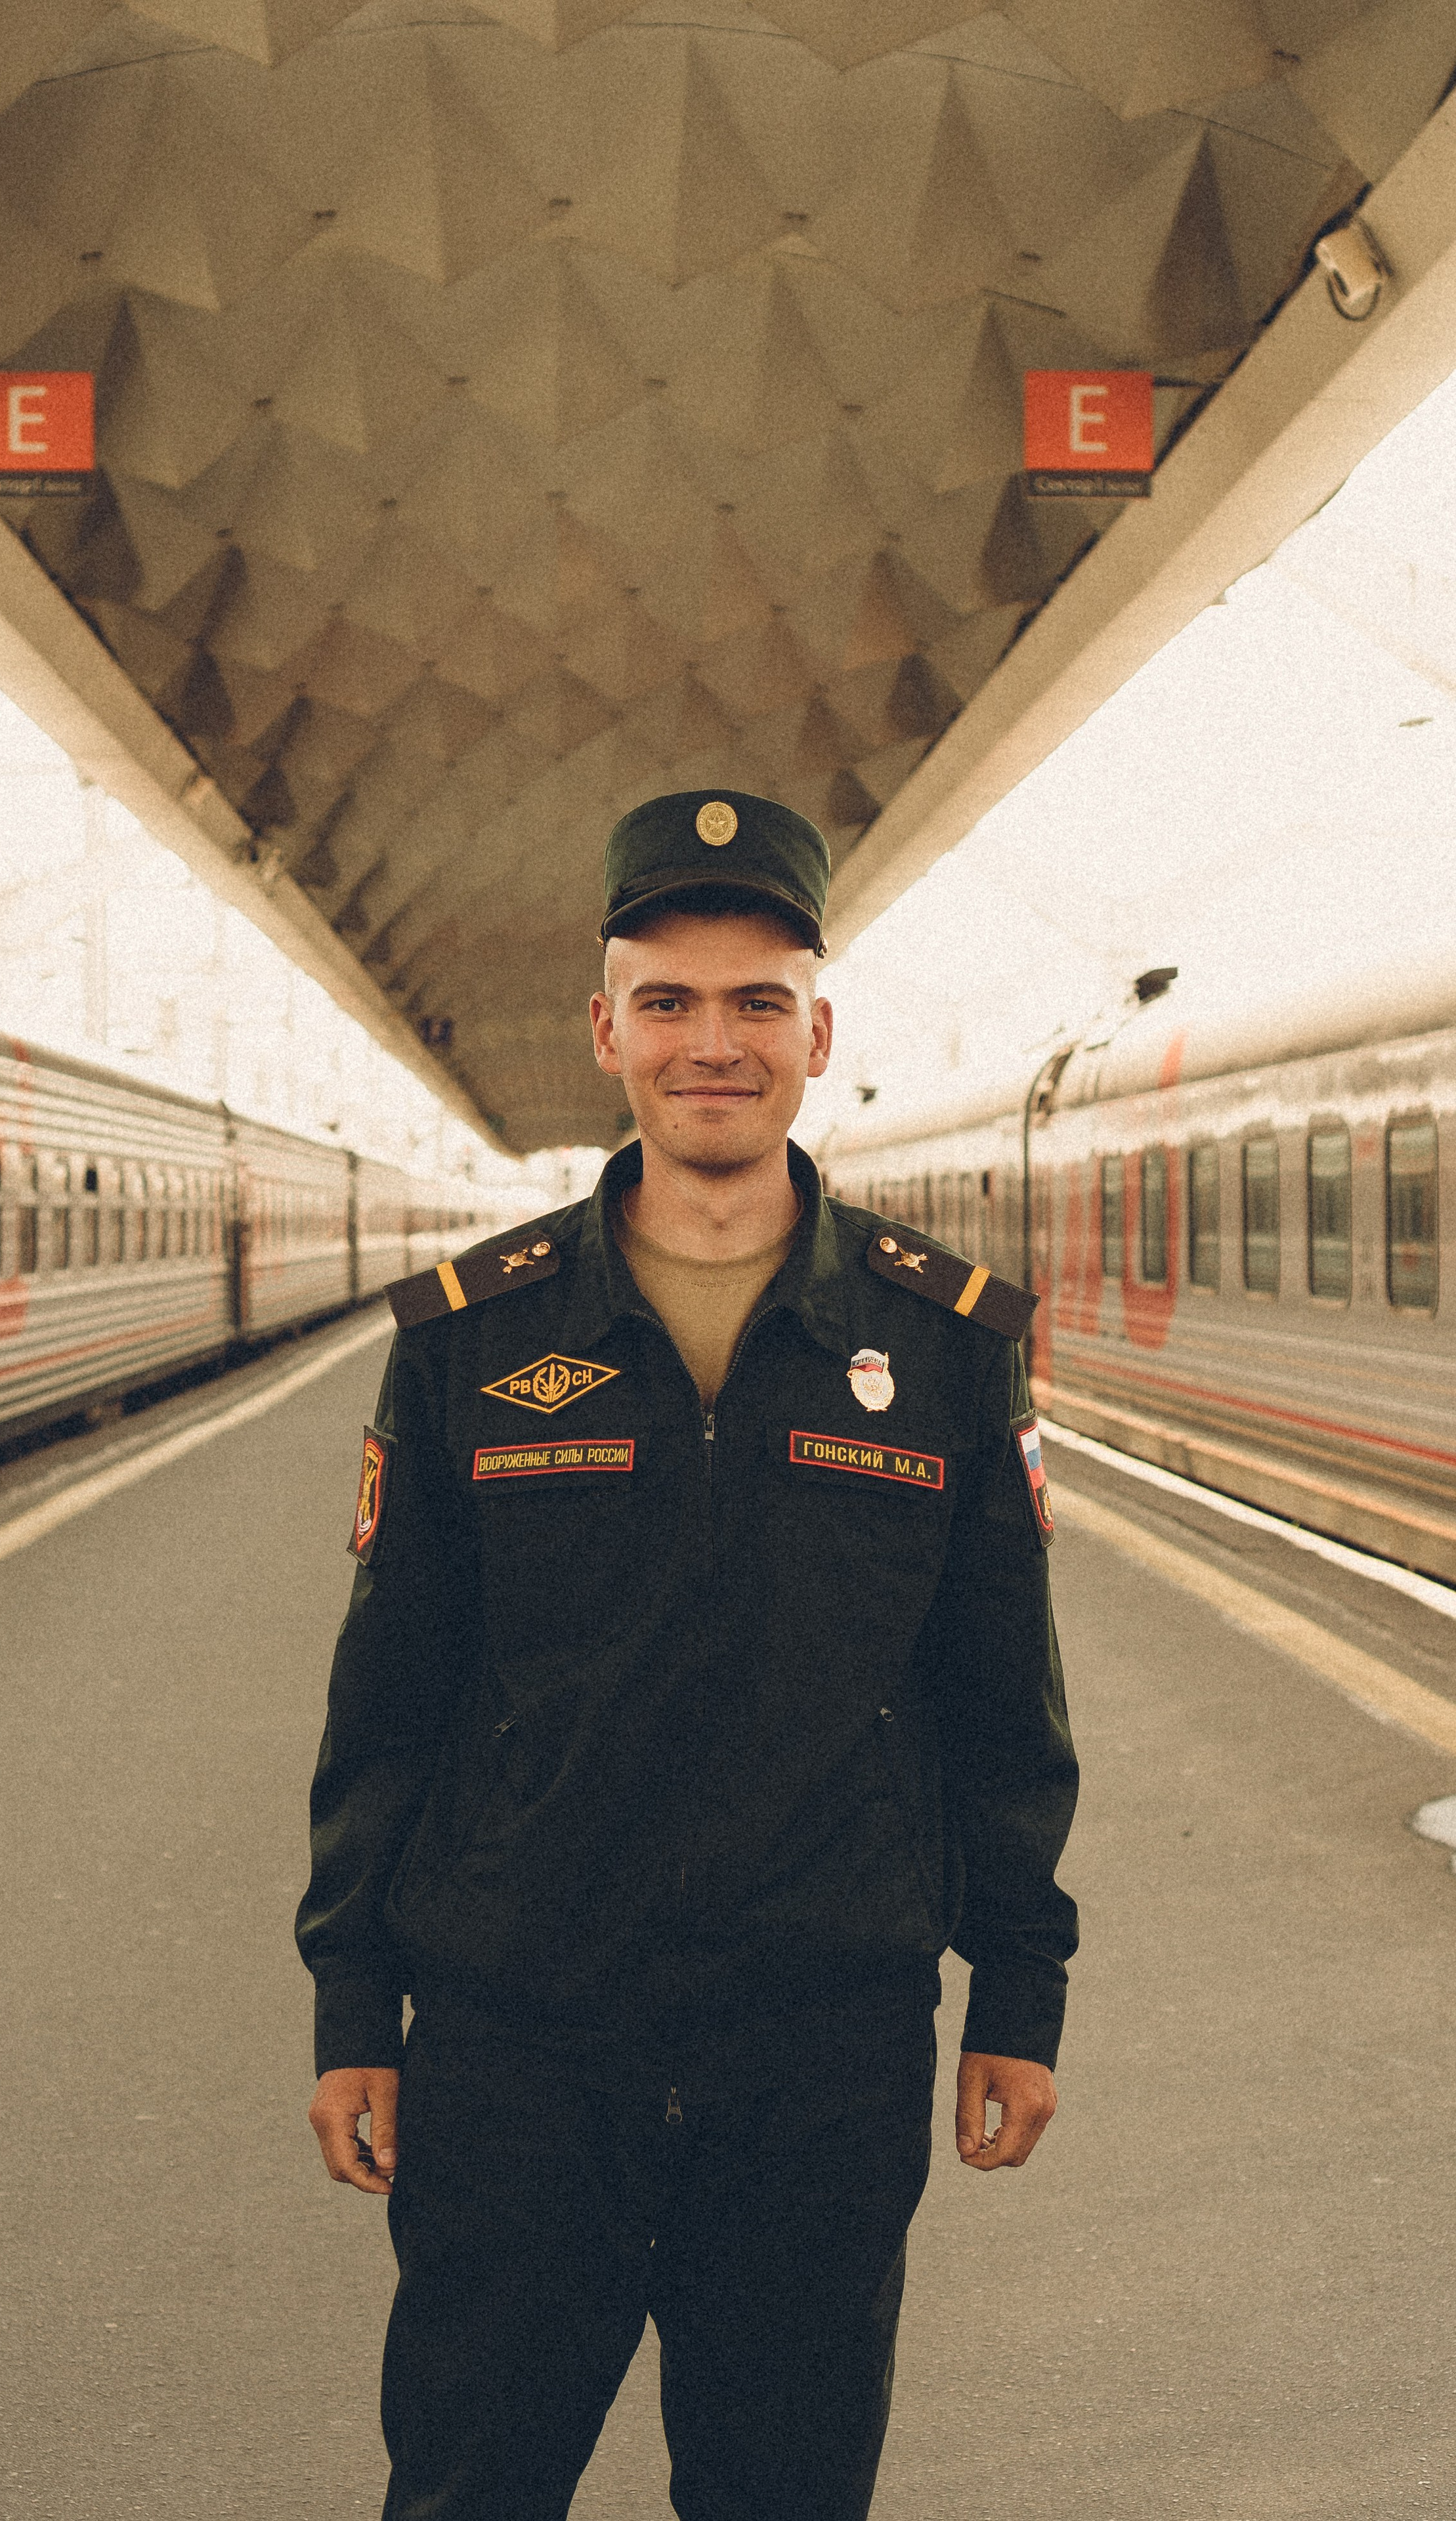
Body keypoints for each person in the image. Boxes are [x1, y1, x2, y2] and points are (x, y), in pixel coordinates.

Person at [296, 788, 1079, 2521]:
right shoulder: (472, 1339)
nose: (712, 1043)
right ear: (607, 1033)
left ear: (818, 1036)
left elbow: (1000, 1699)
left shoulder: (946, 1343)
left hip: (821, 2054)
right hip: (518, 2047)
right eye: (668, 1000)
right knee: (470, 2490)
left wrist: (1019, 1992)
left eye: (755, 1003)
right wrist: (355, 2004)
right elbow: (391, 1698)